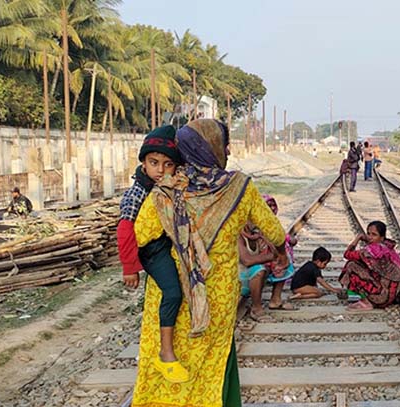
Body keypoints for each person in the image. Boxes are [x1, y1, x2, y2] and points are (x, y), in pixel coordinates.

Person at [131, 119, 287, 407]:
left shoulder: (168, 186)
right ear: (214, 149)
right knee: (210, 361)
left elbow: (140, 235)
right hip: (216, 294)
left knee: (167, 361)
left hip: (170, 292)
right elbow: (275, 232)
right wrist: (281, 253)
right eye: (223, 145)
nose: (226, 151)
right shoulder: (240, 188)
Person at [117, 125, 184, 382]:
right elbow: (125, 231)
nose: (160, 170)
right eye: (154, 162)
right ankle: (166, 352)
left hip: (164, 245)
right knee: (173, 292)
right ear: (143, 163)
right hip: (152, 251)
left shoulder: (169, 186)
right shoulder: (138, 192)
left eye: (168, 164)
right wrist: (130, 267)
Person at [340, 220, 400, 311]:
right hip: (390, 295)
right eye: (368, 233)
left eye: (374, 234)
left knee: (351, 265)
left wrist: (358, 238)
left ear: (381, 237)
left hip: (381, 297)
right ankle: (356, 298)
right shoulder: (387, 247)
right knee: (359, 265)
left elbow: (347, 254)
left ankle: (365, 302)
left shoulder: (372, 250)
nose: (370, 237)